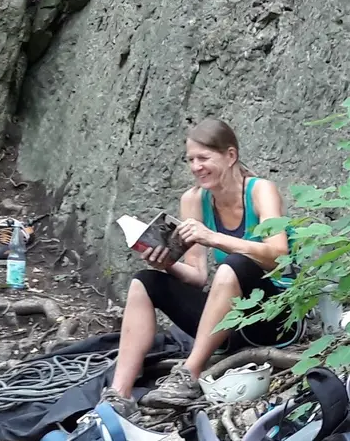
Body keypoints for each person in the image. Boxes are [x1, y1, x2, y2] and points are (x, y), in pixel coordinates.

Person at [103, 119, 296, 412]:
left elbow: (278, 254)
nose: (196, 167)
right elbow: (196, 277)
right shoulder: (194, 199)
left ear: (230, 156)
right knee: (145, 281)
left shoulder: (260, 191)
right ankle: (119, 396)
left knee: (234, 264)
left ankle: (188, 375)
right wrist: (167, 263)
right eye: (190, 160)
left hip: (274, 319)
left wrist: (215, 238)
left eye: (204, 158)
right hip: (228, 323)